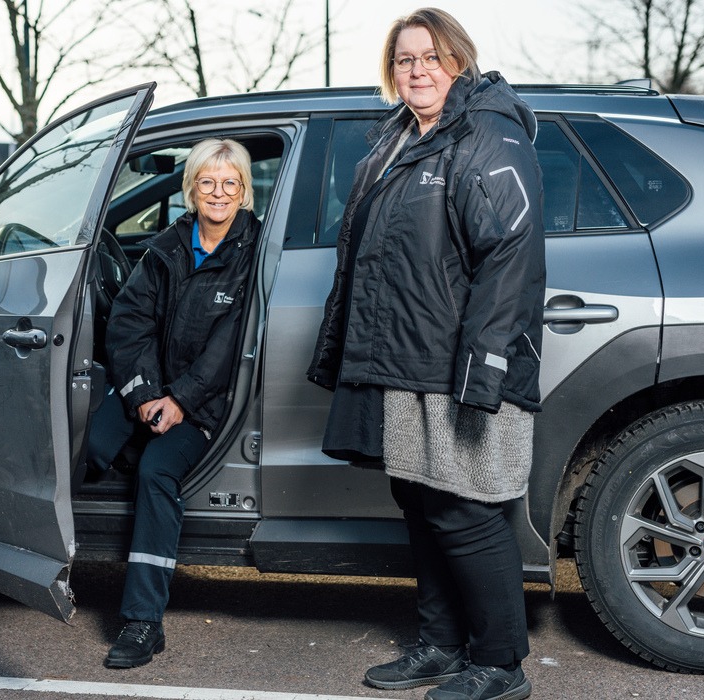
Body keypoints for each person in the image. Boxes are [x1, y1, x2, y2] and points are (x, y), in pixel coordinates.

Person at [307, 8, 544, 700]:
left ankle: (500, 664)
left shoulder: (484, 135)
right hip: (404, 358)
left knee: (466, 509)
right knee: (421, 503)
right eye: (405, 59)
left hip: (455, 361)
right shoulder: (399, 139)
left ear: (458, 60)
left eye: (431, 57)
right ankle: (441, 645)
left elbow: (511, 259)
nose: (418, 70)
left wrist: (484, 364)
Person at [88, 138, 260, 669]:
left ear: (244, 192)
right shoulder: (166, 245)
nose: (218, 193)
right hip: (154, 387)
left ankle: (143, 622)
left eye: (230, 183)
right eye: (207, 181)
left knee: (157, 470)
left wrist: (179, 402)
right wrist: (143, 396)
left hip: (206, 405)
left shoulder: (252, 254)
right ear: (191, 188)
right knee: (88, 444)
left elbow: (227, 348)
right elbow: (129, 321)